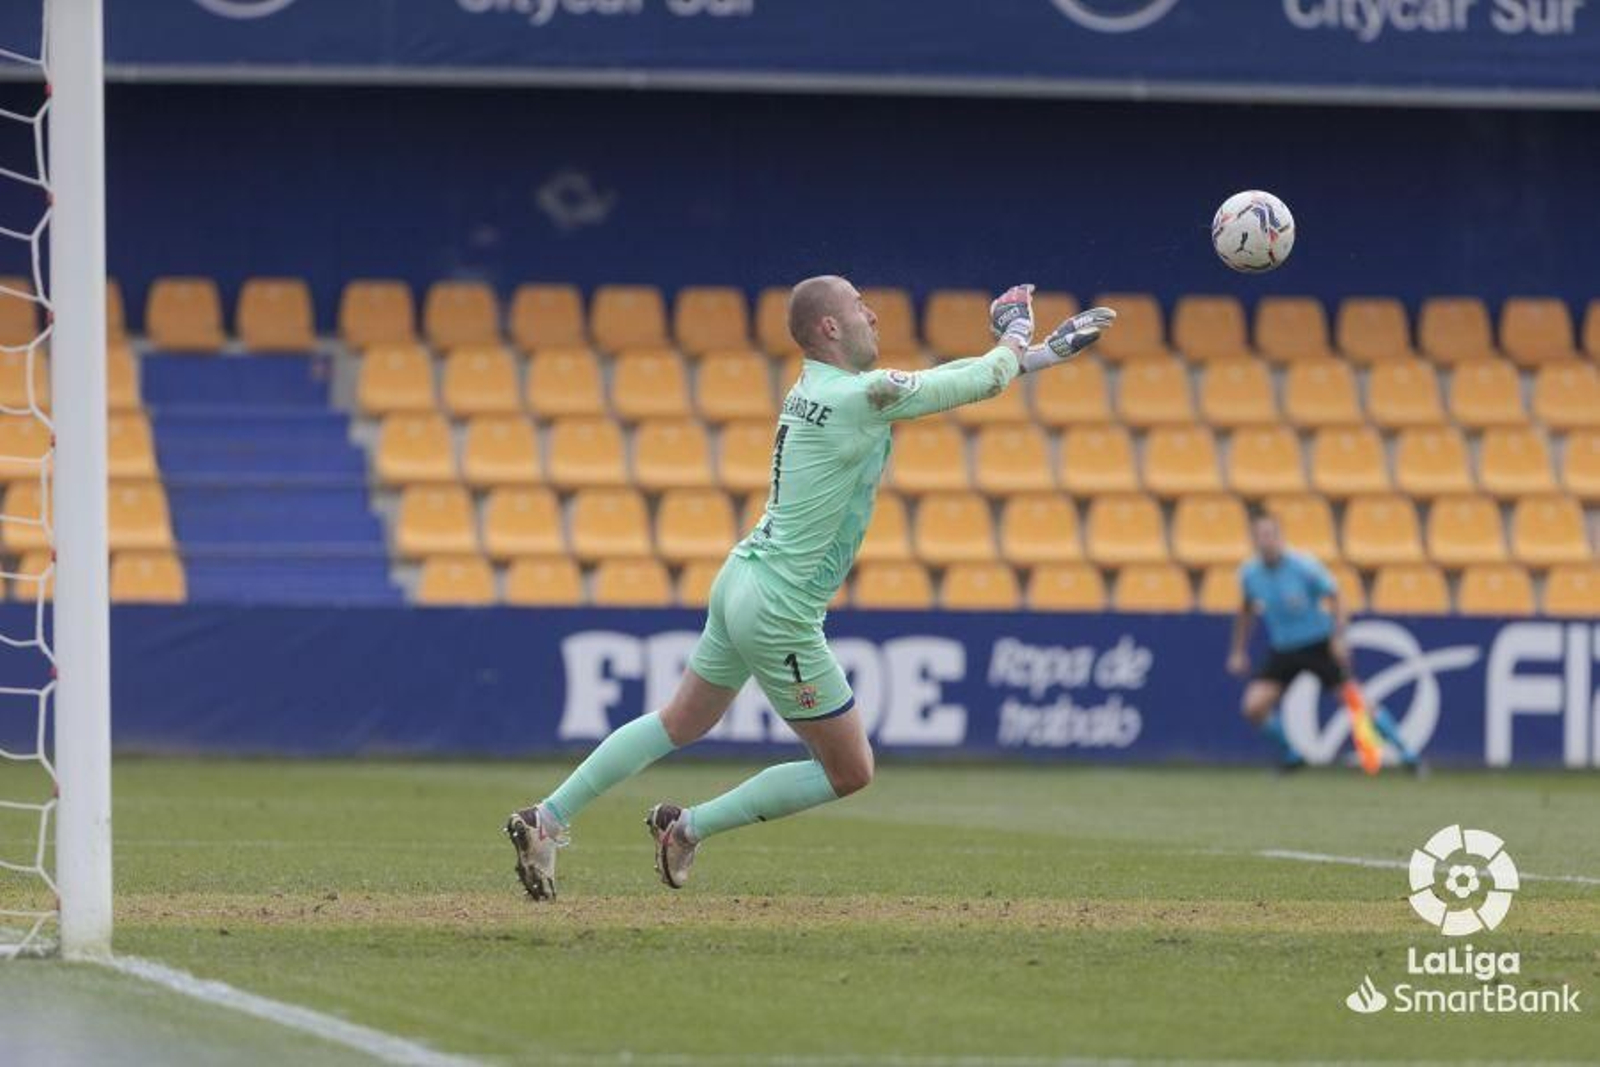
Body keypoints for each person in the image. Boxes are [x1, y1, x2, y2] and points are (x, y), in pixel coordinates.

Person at [505, 276, 1118, 899]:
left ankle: (547, 818)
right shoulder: (859, 396)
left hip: (742, 577)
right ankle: (687, 829)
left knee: (679, 720)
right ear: (829, 326)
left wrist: (1040, 355)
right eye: (859, 306)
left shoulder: (820, 390)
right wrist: (1016, 334)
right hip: (780, 606)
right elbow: (974, 382)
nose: (873, 316)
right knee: (850, 771)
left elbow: (943, 384)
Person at [1227, 513, 1421, 774]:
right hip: (1283, 649)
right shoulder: (1250, 574)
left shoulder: (1303, 568)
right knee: (1253, 707)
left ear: (1280, 537)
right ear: (1253, 541)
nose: (1266, 541)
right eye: (1260, 536)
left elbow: (1336, 596)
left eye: (1270, 535)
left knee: (1356, 703)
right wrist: (1238, 650)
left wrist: (1339, 638)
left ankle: (1407, 752)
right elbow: (1246, 610)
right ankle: (1292, 754)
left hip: (1318, 644)